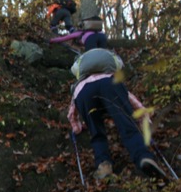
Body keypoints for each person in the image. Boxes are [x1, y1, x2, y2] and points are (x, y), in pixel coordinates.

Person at [66, 41, 165, 180]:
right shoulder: (110, 77)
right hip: (110, 87)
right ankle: (143, 157)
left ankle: (104, 165)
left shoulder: (79, 85)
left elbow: (72, 112)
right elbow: (131, 99)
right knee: (127, 125)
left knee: (96, 132)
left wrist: (76, 127)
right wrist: (144, 117)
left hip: (84, 95)